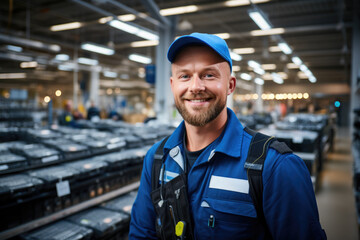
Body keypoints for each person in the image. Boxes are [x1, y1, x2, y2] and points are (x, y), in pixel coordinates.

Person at [129, 33, 326, 239]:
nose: (195, 87)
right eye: (184, 76)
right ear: (172, 85)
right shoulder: (157, 159)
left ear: (230, 85)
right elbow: (142, 234)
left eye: (209, 75)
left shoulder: (274, 167)